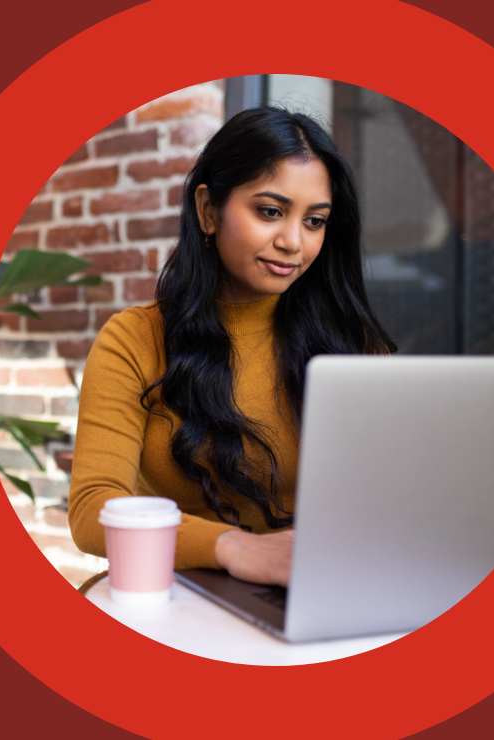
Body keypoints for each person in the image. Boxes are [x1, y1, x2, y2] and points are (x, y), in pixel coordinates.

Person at [67, 106, 394, 587]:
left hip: (312, 586)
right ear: (208, 211)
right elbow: (93, 510)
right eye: (270, 212)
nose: (293, 242)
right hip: (175, 592)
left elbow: (395, 496)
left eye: (315, 221)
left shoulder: (352, 346)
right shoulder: (135, 340)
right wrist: (234, 547)